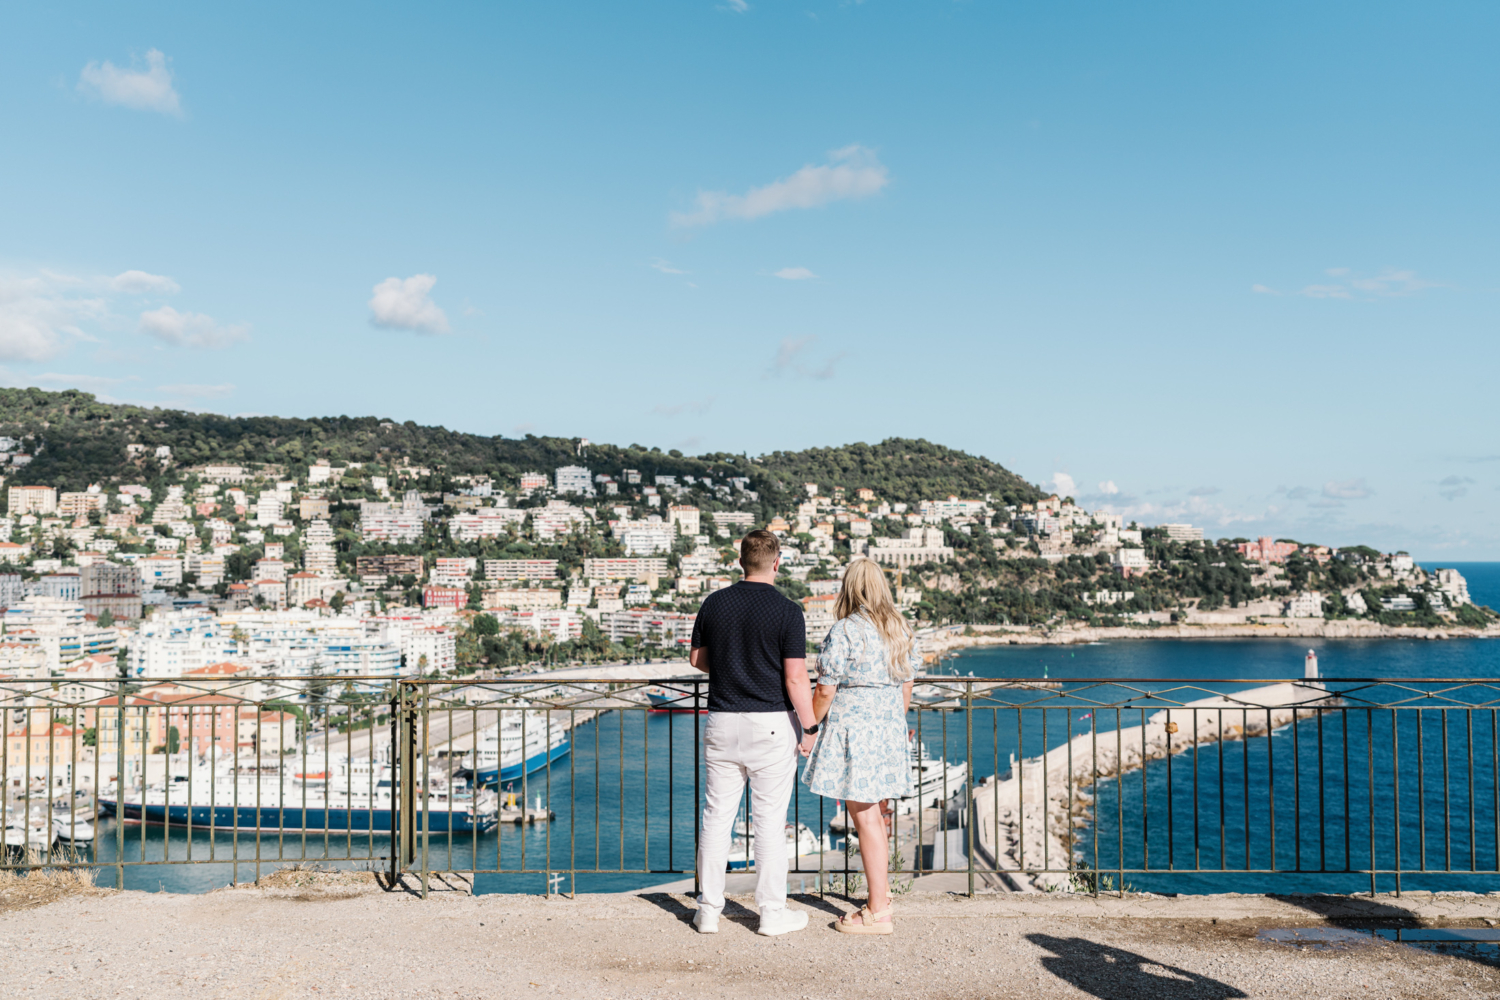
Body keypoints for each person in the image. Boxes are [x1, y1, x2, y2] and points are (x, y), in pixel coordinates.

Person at [688, 528, 818, 937]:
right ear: (777, 562)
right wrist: (810, 725)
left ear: (740, 561)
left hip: (723, 721)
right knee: (769, 822)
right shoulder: (787, 611)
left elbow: (696, 659)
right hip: (771, 725)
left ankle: (708, 910)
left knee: (716, 818)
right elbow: (796, 678)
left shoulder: (715, 603)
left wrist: (731, 667)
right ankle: (771, 914)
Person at [801, 557, 916, 935]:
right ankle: (880, 895)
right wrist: (893, 725)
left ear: (849, 589)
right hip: (887, 729)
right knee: (875, 817)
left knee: (864, 817)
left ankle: (878, 910)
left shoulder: (846, 630)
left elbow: (825, 688)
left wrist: (811, 725)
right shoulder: (899, 629)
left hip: (855, 733)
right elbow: (906, 685)